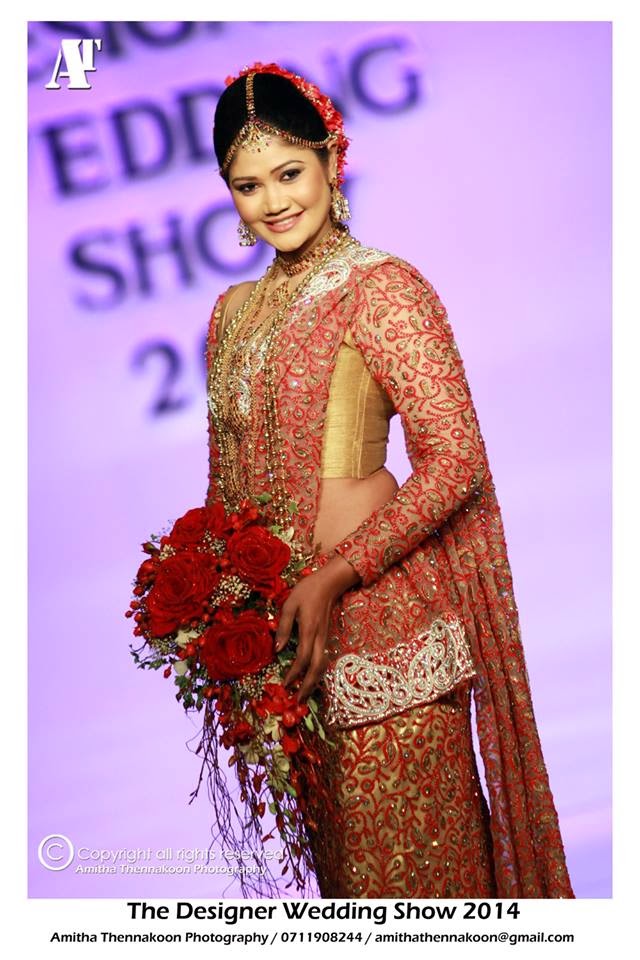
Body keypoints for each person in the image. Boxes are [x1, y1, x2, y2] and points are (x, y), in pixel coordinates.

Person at [206, 61, 575, 899]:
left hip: (386, 639)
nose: (274, 202)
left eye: (290, 173)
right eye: (249, 186)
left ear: (332, 160)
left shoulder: (382, 289)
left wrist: (333, 576)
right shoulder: (231, 316)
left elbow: (456, 460)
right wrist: (220, 620)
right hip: (293, 665)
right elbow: (225, 488)